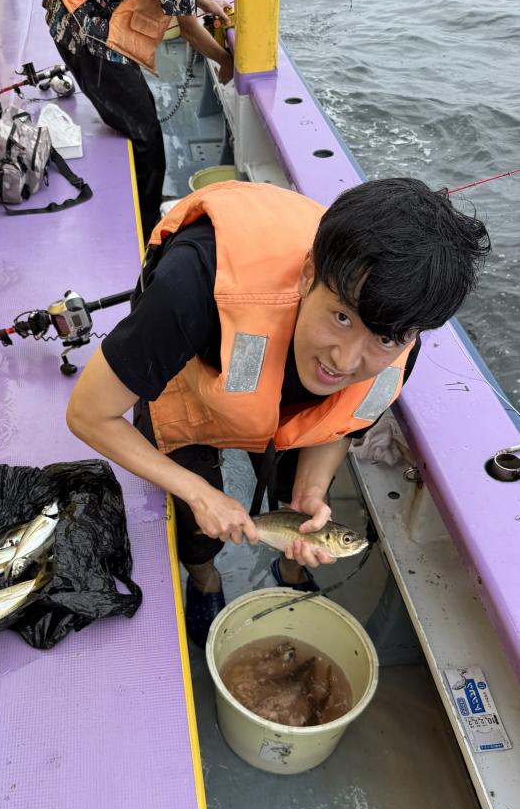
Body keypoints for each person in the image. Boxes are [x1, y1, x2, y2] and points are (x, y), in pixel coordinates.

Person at [66, 178, 491, 645]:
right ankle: (204, 578)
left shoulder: (401, 341)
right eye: (342, 317)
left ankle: (289, 565)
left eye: (385, 338)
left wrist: (311, 489)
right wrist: (198, 493)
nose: (345, 361)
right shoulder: (190, 285)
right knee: (195, 513)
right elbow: (88, 413)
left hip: (281, 409)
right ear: (309, 274)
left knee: (302, 500)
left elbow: (342, 424)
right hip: (191, 378)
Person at [42, 0, 233, 236]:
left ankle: (146, 206)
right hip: (85, 32)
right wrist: (225, 61)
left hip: (79, 12)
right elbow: (188, 28)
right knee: (147, 137)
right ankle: (145, 227)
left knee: (142, 118)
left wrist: (204, 1)